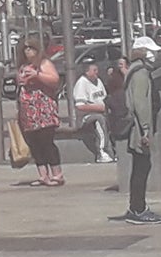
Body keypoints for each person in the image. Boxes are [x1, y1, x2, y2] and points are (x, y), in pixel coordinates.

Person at [122, 37, 161, 224]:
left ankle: (137, 206)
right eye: (152, 51)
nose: (155, 55)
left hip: (138, 129)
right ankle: (138, 209)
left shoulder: (135, 70)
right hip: (139, 131)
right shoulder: (140, 74)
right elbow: (141, 104)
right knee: (141, 167)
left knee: (141, 167)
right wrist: (146, 131)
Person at [14, 41, 65, 185]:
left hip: (43, 109)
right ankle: (43, 175)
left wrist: (37, 75)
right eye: (26, 49)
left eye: (31, 48)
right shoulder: (23, 66)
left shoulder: (44, 64)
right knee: (34, 143)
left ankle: (57, 174)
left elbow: (54, 80)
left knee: (46, 142)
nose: (28, 51)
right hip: (28, 111)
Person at [72, 58, 111, 161]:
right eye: (94, 70)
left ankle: (113, 151)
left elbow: (104, 98)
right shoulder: (81, 83)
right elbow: (80, 106)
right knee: (99, 119)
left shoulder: (98, 81)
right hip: (85, 116)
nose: (97, 73)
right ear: (87, 71)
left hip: (103, 112)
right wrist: (99, 108)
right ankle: (102, 153)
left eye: (97, 70)